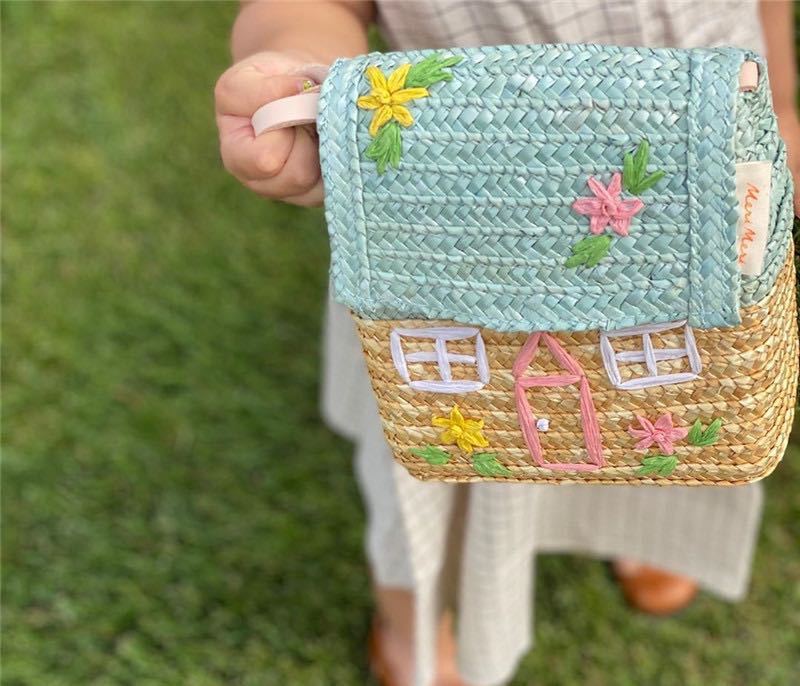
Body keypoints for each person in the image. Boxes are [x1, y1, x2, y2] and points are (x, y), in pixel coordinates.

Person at [214, 2, 799, 685]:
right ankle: (416, 622)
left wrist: (779, 100)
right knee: (451, 454)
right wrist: (299, 69)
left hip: (698, 159)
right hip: (462, 216)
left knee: (669, 407)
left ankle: (641, 528)